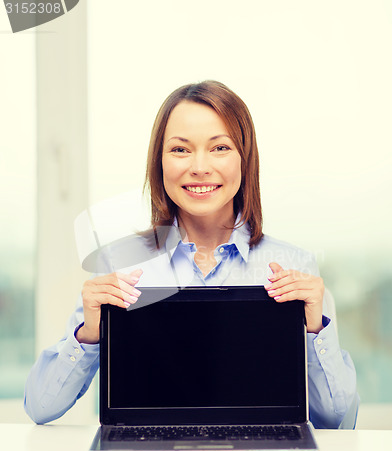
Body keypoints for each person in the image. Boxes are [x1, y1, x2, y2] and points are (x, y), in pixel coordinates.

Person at [24, 80, 359, 428]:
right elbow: (40, 407)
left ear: (245, 159)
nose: (199, 167)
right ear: (160, 163)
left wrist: (314, 328)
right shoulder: (119, 263)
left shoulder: (294, 267)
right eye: (181, 150)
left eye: (220, 148)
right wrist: (89, 333)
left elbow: (338, 420)